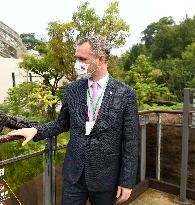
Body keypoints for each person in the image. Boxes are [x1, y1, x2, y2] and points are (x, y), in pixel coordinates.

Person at [8, 35, 139, 205]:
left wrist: (127, 181)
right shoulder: (72, 89)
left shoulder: (126, 94)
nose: (77, 64)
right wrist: (35, 130)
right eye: (76, 58)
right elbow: (62, 123)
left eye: (82, 59)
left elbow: (130, 142)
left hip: (106, 177)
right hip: (74, 175)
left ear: (101, 59)